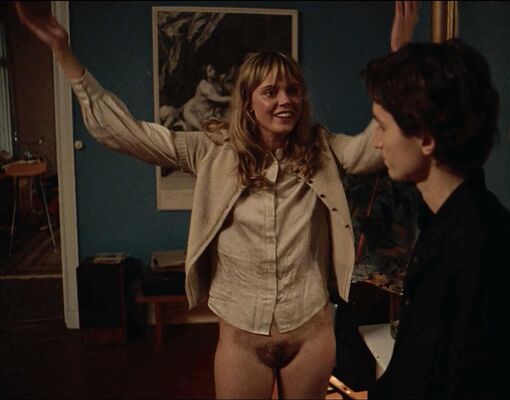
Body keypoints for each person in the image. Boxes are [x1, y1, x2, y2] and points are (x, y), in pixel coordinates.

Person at [15, 1, 417, 398]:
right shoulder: (213, 150)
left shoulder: (322, 148)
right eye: (271, 91)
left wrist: (398, 60)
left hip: (311, 335)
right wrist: (62, 50)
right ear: (248, 101)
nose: (285, 100)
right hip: (242, 341)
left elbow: (371, 149)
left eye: (293, 90)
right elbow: (124, 133)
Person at [362, 38, 509, 398]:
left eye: (383, 126)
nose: (377, 142)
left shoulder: (475, 242)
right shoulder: (444, 219)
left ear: (426, 139)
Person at [181, 63, 231, 130]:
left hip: (208, 112)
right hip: (193, 111)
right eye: (210, 70)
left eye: (213, 69)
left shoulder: (217, 83)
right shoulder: (204, 85)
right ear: (205, 73)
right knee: (202, 129)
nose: (213, 71)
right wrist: (233, 99)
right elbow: (219, 99)